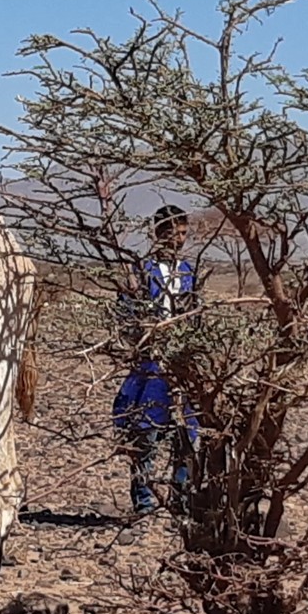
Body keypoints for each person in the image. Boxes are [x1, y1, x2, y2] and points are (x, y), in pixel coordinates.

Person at [112, 204, 199, 514]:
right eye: (174, 233)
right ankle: (143, 501)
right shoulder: (141, 271)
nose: (180, 240)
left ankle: (181, 498)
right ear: (159, 233)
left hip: (183, 362)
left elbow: (194, 314)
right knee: (146, 431)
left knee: (186, 434)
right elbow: (126, 311)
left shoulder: (189, 271)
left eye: (184, 234)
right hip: (150, 362)